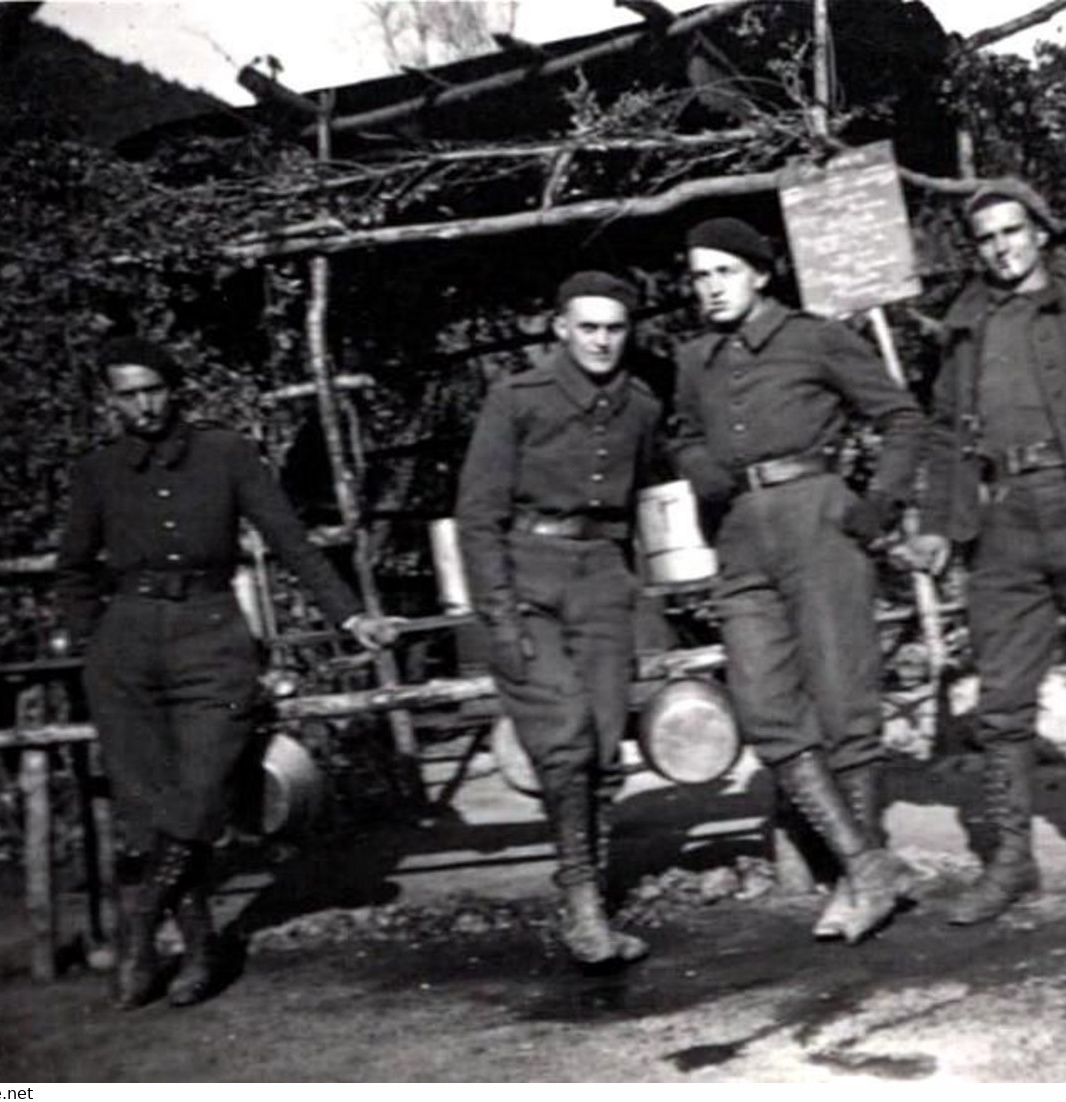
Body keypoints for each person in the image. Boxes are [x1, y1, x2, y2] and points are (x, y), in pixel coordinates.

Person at [57, 337, 405, 1009]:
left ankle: (138, 925)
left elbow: (290, 541)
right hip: (125, 646)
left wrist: (350, 617)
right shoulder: (97, 471)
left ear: (174, 388)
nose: (143, 405)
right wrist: (92, 641)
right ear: (111, 401)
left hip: (212, 638)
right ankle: (198, 949)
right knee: (145, 803)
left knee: (200, 793)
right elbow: (73, 568)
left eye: (152, 390)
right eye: (127, 395)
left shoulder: (226, 453)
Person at [903, 180, 1066, 923]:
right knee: (1001, 704)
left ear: (1040, 233)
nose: (1000, 249)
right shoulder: (962, 329)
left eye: (1012, 232)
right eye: (985, 239)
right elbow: (944, 435)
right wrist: (936, 522)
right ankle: (1012, 862)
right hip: (1005, 527)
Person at [670, 217, 924, 945]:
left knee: (845, 703)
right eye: (699, 275)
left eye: (723, 271)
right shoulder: (695, 359)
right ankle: (867, 865)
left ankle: (856, 880)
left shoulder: (815, 339)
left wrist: (879, 503)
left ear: (760, 274)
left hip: (818, 519)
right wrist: (698, 469)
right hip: (739, 536)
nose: (710, 288)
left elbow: (901, 417)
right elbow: (683, 434)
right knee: (763, 709)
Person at [455, 271, 663, 965]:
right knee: (566, 735)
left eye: (614, 328)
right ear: (561, 328)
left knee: (602, 747)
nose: (602, 340)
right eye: (589, 326)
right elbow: (478, 516)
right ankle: (582, 908)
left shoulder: (639, 404)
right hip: (528, 575)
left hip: (602, 578)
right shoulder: (517, 397)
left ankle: (587, 901)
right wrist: (500, 613)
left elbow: (640, 505)